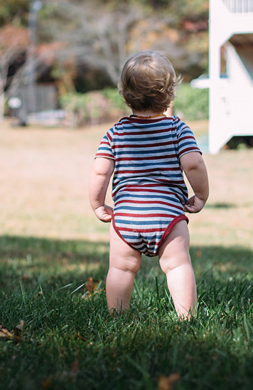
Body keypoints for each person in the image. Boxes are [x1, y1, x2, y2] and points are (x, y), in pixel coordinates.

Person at [89, 51, 209, 319]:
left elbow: (99, 172)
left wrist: (97, 204)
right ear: (170, 95)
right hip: (167, 215)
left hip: (127, 216)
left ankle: (117, 318)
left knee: (121, 269)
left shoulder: (116, 133)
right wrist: (200, 195)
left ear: (124, 94)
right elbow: (193, 164)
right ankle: (186, 317)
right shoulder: (178, 129)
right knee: (177, 266)